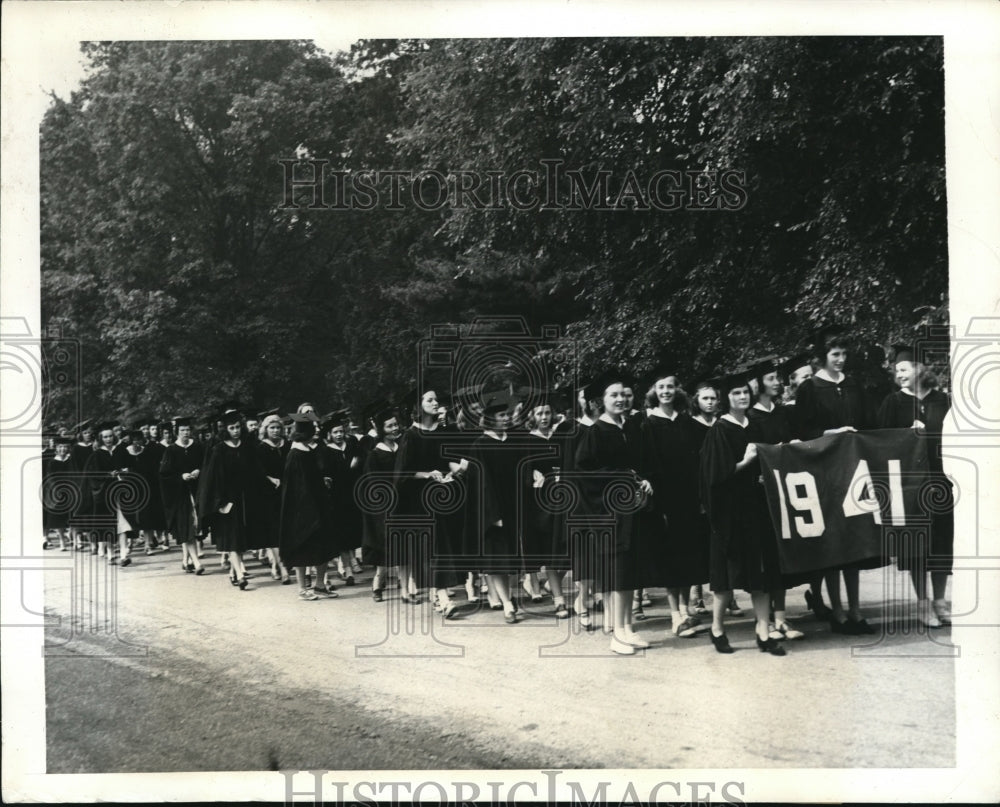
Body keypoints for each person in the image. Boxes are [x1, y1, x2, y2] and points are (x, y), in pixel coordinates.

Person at [794, 326, 880, 634]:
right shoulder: (809, 388)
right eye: (835, 354)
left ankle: (856, 610)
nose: (841, 360)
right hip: (825, 472)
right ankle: (838, 612)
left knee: (855, 541)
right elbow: (802, 433)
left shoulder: (854, 385)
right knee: (834, 543)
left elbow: (869, 425)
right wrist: (831, 433)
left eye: (844, 354)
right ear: (823, 357)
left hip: (853, 471)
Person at [699, 372, 787, 656]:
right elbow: (715, 476)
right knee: (726, 580)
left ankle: (763, 630)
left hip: (757, 509)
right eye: (736, 393)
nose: (742, 397)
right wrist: (746, 462)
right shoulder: (720, 430)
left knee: (761, 573)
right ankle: (717, 628)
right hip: (730, 512)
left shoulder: (756, 426)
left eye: (746, 392)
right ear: (727, 398)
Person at [575, 370, 654, 655]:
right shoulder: (596, 432)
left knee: (631, 571)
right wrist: (622, 478)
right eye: (613, 395)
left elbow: (641, 463)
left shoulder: (630, 427)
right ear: (601, 401)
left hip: (633, 510)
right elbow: (585, 474)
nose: (620, 399)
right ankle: (616, 634)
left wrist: (644, 478)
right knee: (619, 573)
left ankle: (628, 629)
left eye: (623, 394)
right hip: (610, 514)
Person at [876, 343, 953, 627]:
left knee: (942, 543)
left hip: (941, 480)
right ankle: (922, 604)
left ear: (920, 369)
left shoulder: (941, 400)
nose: (900, 374)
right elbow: (881, 442)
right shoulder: (893, 403)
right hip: (910, 486)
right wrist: (905, 436)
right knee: (918, 545)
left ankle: (940, 602)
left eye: (904, 369)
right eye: (897, 370)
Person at [639, 371, 709, 639]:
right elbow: (646, 463)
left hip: (689, 497)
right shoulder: (648, 424)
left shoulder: (686, 423)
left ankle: (685, 609)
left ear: (677, 390)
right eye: (661, 387)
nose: (666, 391)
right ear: (654, 391)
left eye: (670, 387)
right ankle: (674, 616)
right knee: (670, 556)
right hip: (665, 499)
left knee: (688, 553)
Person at [746, 358, 805, 641]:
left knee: (782, 555)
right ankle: (765, 619)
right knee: (766, 557)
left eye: (777, 378)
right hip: (760, 494)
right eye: (771, 378)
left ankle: (781, 618)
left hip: (784, 490)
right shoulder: (751, 418)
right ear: (758, 385)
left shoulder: (782, 413)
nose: (777, 382)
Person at [394, 389, 465, 614]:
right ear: (418, 405)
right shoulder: (411, 436)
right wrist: (427, 474)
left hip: (446, 497)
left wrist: (455, 472)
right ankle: (444, 599)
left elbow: (450, 461)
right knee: (435, 547)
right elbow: (402, 474)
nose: (436, 403)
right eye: (430, 400)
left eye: (436, 399)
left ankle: (437, 595)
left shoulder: (443, 431)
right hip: (421, 502)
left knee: (445, 547)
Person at [197, 410, 265, 590]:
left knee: (241, 541)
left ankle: (234, 571)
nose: (235, 431)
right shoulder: (218, 450)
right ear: (226, 429)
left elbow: (255, 472)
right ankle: (241, 574)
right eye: (232, 428)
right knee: (233, 540)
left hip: (246, 499)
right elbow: (212, 479)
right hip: (228, 501)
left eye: (237, 427)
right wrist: (219, 503)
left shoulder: (247, 447)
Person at [279, 414, 339, 601]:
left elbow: (311, 480)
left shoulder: (307, 450)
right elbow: (298, 488)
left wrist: (322, 482)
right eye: (314, 428)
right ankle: (302, 589)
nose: (317, 430)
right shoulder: (295, 454)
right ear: (306, 432)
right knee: (302, 549)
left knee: (323, 547)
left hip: (317, 506)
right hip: (302, 510)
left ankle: (320, 585)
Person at [523, 393, 571, 619]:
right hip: (542, 502)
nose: (544, 417)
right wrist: (531, 472)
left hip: (566, 496)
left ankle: (554, 585)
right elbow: (523, 467)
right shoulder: (527, 440)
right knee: (552, 550)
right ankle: (559, 601)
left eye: (547, 412)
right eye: (539, 413)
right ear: (532, 415)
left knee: (571, 547)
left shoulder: (561, 435)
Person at [360, 406, 405, 602]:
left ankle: (406, 588)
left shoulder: (402, 448)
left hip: (404, 503)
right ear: (381, 430)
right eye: (389, 426)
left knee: (403, 547)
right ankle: (378, 584)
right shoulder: (375, 454)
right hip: (385, 508)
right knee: (385, 549)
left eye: (396, 425)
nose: (394, 429)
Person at [316, 411, 364, 586]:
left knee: (352, 532)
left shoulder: (351, 445)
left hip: (353, 496)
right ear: (329, 434)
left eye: (341, 432)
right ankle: (348, 570)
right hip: (337, 499)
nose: (338, 435)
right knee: (342, 535)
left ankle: (352, 562)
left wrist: (356, 462)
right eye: (335, 432)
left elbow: (361, 460)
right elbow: (325, 473)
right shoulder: (326, 451)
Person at [685, 379, 719, 617]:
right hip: (698, 489)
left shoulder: (722, 425)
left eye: (713, 398)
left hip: (720, 489)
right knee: (697, 544)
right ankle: (696, 594)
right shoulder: (690, 426)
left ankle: (723, 593)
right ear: (696, 401)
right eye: (705, 398)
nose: (710, 402)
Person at [159, 417, 206, 574]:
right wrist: (180, 476)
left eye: (187, 430)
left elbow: (206, 464)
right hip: (180, 496)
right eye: (182, 430)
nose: (186, 433)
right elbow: (164, 475)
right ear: (176, 432)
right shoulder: (171, 450)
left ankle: (186, 560)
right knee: (187, 527)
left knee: (192, 527)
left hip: (197, 491)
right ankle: (197, 562)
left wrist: (199, 470)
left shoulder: (198, 447)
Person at [256, 414, 291, 583]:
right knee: (273, 533)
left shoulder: (288, 446)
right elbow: (257, 471)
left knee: (286, 531)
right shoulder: (261, 448)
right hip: (268, 494)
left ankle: (277, 565)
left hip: (288, 492)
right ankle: (282, 568)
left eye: (278, 428)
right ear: (265, 429)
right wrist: (270, 479)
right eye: (272, 428)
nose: (275, 431)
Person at [43, 436, 80, 551]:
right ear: (56, 448)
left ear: (68, 448)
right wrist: (57, 490)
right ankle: (62, 541)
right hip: (58, 492)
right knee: (59, 518)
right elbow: (50, 478)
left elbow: (76, 474)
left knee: (74, 516)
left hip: (72, 490)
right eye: (60, 447)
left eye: (65, 447)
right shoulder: (52, 462)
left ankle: (75, 540)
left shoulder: (72, 460)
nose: (63, 449)